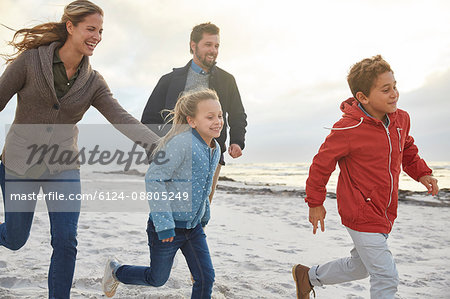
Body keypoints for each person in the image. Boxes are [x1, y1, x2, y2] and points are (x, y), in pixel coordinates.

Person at [0, 1, 159, 298]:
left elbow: (120, 116)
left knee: (66, 240)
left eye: (100, 31)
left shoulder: (93, 82)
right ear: (70, 27)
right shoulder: (30, 62)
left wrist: (159, 145)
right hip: (19, 164)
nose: (97, 36)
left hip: (63, 166)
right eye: (91, 29)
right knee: (15, 237)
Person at [292, 55, 439, 299]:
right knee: (386, 276)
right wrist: (315, 202)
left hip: (384, 209)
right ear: (363, 97)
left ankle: (308, 277)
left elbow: (407, 149)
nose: (394, 94)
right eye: (385, 90)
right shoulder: (348, 129)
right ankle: (308, 277)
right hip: (360, 210)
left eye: (394, 86)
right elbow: (321, 165)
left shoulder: (400, 120)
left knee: (360, 267)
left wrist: (423, 173)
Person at [102, 89, 223, 299]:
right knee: (157, 279)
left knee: (206, 277)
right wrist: (165, 224)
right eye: (210, 117)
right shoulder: (181, 143)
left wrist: (204, 215)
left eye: (220, 116)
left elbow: (203, 187)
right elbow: (154, 179)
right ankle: (116, 271)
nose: (217, 121)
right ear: (192, 121)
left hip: (193, 228)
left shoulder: (215, 147)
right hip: (167, 227)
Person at [141, 22, 247, 203]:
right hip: (174, 157)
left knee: (200, 213)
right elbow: (149, 119)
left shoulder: (227, 80)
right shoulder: (169, 80)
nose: (213, 50)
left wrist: (237, 141)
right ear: (193, 45)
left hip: (210, 156)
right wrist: (158, 150)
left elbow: (237, 114)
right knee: (169, 211)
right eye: (208, 45)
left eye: (216, 45)